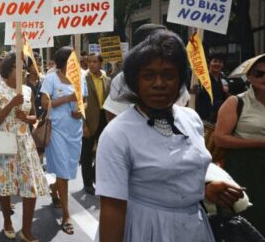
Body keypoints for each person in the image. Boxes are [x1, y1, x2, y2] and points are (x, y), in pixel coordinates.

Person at [96, 30, 244, 242]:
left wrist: (205, 189)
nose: (159, 83)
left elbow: (179, 172)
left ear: (180, 79)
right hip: (146, 230)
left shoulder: (192, 119)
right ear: (135, 81)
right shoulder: (117, 133)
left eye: (168, 75)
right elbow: (112, 209)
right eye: (148, 76)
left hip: (194, 229)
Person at [0, 53, 48, 242]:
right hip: (4, 144)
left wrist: (25, 118)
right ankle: (7, 221)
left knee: (31, 187)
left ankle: (27, 230)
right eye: (16, 65)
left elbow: (35, 118)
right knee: (5, 187)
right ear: (7, 69)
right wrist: (11, 105)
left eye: (22, 65)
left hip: (25, 143)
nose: (20, 68)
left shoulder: (28, 90)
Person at [214, 53, 265, 235]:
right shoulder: (236, 102)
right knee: (250, 222)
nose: (264, 78)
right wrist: (259, 143)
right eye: (259, 73)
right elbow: (220, 137)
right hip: (245, 168)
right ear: (249, 76)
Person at [41, 46, 87, 235]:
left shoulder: (80, 78)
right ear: (64, 60)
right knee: (63, 171)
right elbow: (45, 104)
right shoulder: (51, 78)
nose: (75, 60)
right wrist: (67, 98)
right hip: (57, 129)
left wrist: (80, 109)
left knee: (67, 168)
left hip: (74, 131)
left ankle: (54, 189)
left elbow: (84, 99)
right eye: (72, 58)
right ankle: (66, 215)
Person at [81, 52, 110, 195]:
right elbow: (80, 103)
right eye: (89, 62)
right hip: (89, 120)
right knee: (86, 154)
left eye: (94, 62)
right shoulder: (83, 79)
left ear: (101, 63)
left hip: (104, 119)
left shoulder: (107, 80)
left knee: (103, 151)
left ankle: (94, 175)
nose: (91, 64)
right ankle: (87, 184)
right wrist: (83, 124)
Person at [196, 53, 229, 126]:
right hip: (204, 118)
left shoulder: (223, 79)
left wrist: (226, 92)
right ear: (209, 63)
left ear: (223, 65)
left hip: (218, 118)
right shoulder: (203, 78)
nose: (217, 64)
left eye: (220, 62)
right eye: (215, 61)